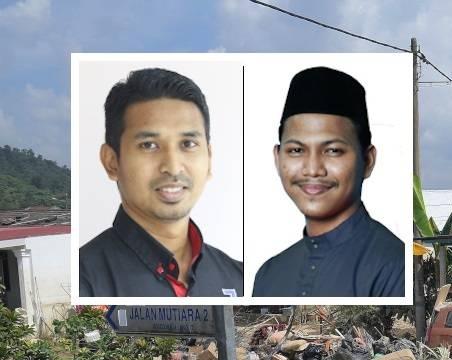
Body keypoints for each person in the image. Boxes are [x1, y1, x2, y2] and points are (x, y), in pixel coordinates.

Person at [80, 68, 243, 297]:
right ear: (112, 161)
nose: (173, 166)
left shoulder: (239, 277)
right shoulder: (86, 281)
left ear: (209, 159)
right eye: (149, 145)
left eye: (188, 143)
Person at [252, 66, 404, 298]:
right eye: (296, 150)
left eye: (333, 150)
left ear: (368, 160)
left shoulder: (393, 267)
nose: (313, 168)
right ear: (277, 157)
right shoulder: (268, 275)